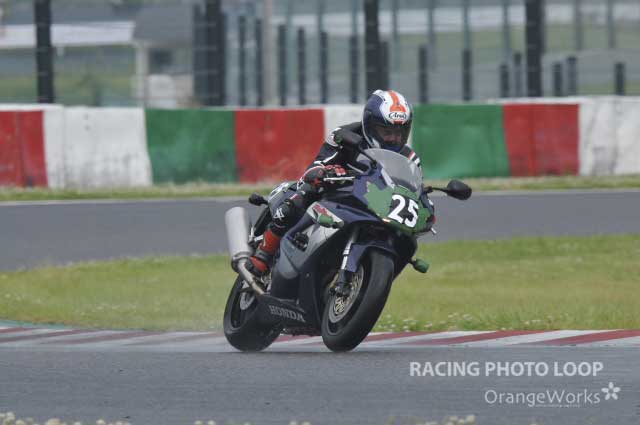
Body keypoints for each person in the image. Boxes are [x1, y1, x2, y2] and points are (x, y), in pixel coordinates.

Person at [247, 89, 429, 289]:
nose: (394, 138)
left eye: (399, 132)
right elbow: (317, 165)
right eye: (387, 132)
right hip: (336, 193)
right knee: (302, 192)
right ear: (370, 125)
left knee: (404, 236)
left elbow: (415, 188)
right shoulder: (345, 135)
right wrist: (324, 172)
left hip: (374, 206)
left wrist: (426, 205)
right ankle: (264, 253)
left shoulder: (410, 159)